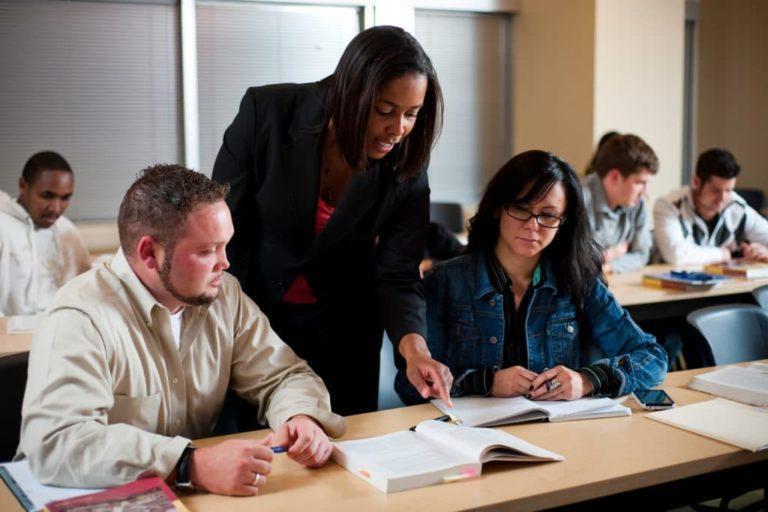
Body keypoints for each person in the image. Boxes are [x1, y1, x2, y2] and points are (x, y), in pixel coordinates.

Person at [17, 165, 345, 496]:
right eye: (206, 251)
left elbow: (284, 376)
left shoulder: (223, 294)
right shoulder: (79, 316)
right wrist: (190, 465)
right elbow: (56, 442)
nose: (225, 262)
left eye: (225, 245)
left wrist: (300, 417)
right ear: (149, 253)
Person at [212, 25, 452, 415]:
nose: (398, 130)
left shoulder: (407, 159)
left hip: (346, 332)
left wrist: (415, 349)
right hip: (255, 323)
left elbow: (399, 273)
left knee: (345, 450)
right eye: (384, 111)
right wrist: (235, 326)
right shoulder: (267, 114)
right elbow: (225, 232)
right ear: (350, 93)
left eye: (412, 114)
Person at [395, 150, 667, 404]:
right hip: (469, 439)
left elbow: (653, 359)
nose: (532, 225)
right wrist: (486, 382)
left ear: (564, 223)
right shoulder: (445, 282)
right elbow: (411, 386)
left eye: (548, 215)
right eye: (522, 209)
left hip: (556, 435)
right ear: (497, 208)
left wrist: (586, 380)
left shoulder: (578, 280)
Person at [0, 151, 90, 316]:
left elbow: (84, 291)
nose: (56, 208)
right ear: (23, 186)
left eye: (65, 198)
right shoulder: (3, 227)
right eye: (47, 196)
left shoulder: (67, 230)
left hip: (60, 331)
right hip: (9, 337)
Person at [654, 148, 768, 264]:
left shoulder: (736, 206)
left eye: (728, 190)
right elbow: (676, 255)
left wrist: (762, 252)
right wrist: (723, 254)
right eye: (716, 191)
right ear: (696, 183)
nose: (723, 199)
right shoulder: (669, 205)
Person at [581, 134, 659, 273]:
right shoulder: (578, 197)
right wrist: (611, 254)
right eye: (640, 183)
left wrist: (609, 267)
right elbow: (574, 261)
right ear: (614, 177)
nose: (645, 192)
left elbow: (641, 255)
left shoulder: (638, 203)